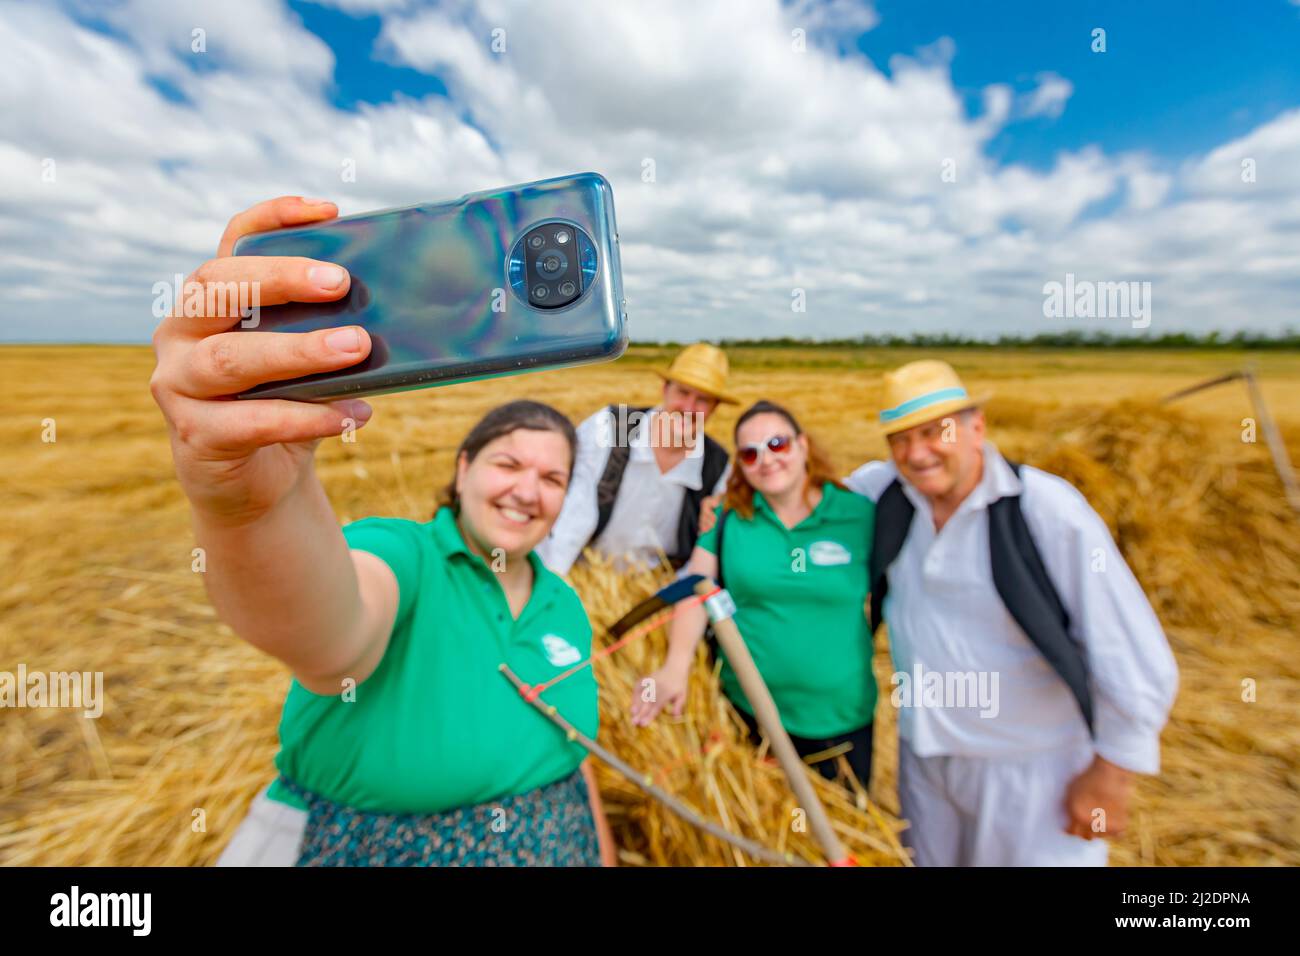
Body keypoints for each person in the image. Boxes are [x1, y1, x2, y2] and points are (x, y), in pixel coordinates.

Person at [149, 195, 613, 866]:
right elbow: (329, 632)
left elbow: (574, 747)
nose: (527, 491)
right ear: (462, 469)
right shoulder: (408, 557)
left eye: (552, 479)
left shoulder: (563, 604)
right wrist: (255, 511)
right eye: (508, 463)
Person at [845, 359, 1178, 866]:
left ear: (976, 427)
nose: (916, 453)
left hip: (1033, 770)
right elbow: (797, 500)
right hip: (926, 764)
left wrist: (1112, 772)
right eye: (900, 440)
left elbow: (1129, 648)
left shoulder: (1044, 510)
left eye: (935, 432)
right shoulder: (885, 495)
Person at [631, 400, 878, 789]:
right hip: (747, 716)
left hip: (840, 723)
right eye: (750, 453)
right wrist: (675, 667)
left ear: (803, 446)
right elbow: (698, 585)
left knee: (836, 839)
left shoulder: (859, 516)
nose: (766, 460)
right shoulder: (729, 517)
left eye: (777, 444)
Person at [537, 344, 736, 575]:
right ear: (665, 389)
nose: (689, 408)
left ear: (715, 408)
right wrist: (550, 587)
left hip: (659, 590)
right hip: (585, 575)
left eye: (703, 400)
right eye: (683, 392)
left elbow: (713, 547)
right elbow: (571, 521)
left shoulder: (718, 466)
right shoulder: (613, 429)